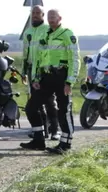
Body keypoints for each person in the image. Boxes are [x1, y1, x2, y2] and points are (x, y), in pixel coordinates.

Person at [20, 9, 80, 154]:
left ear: (60, 18)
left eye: (54, 17)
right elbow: (39, 58)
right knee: (31, 107)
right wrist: (36, 78)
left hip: (62, 76)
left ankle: (65, 144)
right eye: (49, 17)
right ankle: (38, 140)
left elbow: (74, 59)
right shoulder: (45, 35)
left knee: (63, 110)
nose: (51, 19)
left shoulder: (67, 34)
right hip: (46, 77)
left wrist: (70, 82)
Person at [22, 5, 60, 140]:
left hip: (46, 70)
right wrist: (23, 71)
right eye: (34, 13)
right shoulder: (28, 32)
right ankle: (42, 131)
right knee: (36, 104)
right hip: (32, 71)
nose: (36, 15)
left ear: (43, 15)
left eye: (38, 13)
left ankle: (55, 130)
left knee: (50, 102)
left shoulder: (48, 29)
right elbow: (25, 53)